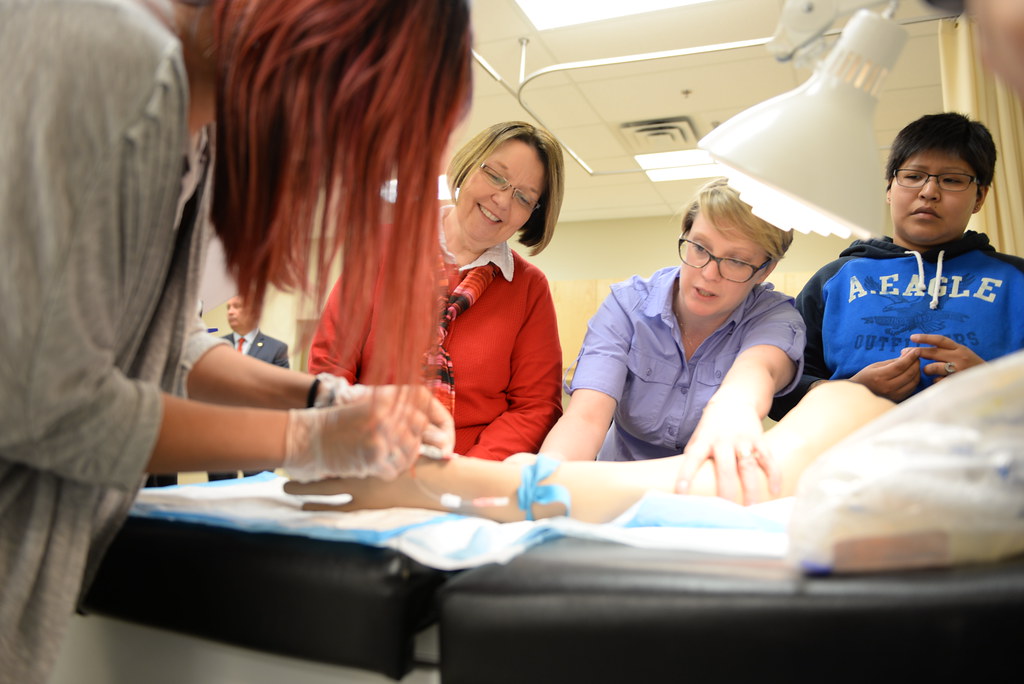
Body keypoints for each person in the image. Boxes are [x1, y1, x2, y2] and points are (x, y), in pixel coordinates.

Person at [0, 1, 472, 681]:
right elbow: (48, 401)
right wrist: (307, 441)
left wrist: (322, 398)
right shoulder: (112, 58)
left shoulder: (196, 131)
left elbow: (170, 344)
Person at [285, 379, 896, 524]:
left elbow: (765, 354)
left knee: (755, 475)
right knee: (759, 467)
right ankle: (494, 484)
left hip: (895, 421)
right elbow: (586, 409)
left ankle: (485, 486)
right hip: (865, 406)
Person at [537, 178, 805, 505]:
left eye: (736, 261)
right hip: (612, 487)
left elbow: (756, 373)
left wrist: (736, 409)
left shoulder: (774, 318)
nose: (708, 273)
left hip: (704, 494)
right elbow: (585, 418)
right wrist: (546, 475)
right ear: (686, 233)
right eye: (700, 248)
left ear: (765, 270)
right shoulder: (627, 306)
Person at [309, 122, 566, 461]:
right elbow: (332, 362)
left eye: (523, 197)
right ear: (469, 166)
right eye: (496, 176)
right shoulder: (383, 247)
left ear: (532, 216)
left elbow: (536, 407)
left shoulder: (529, 288)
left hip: (471, 475)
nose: (502, 199)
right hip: (365, 455)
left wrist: (469, 473)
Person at [771, 112, 1024, 419]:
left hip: (986, 460)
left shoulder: (1016, 279)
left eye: (952, 180)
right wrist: (848, 393)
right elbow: (780, 389)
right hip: (853, 457)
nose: (929, 192)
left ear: (980, 197)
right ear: (890, 189)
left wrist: (994, 386)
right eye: (913, 176)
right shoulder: (834, 279)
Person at [223, 294, 290, 369]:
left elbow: (280, 380)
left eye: (237, 306)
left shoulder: (276, 349)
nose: (230, 312)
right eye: (228, 307)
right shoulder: (218, 344)